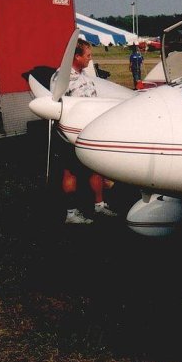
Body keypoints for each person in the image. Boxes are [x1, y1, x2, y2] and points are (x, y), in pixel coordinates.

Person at [51, 39, 117, 224]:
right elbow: (56, 104)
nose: (90, 58)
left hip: (90, 132)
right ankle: (71, 213)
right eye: (88, 55)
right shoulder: (61, 78)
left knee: (95, 169)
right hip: (70, 135)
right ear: (76, 56)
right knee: (70, 172)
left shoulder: (84, 75)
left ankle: (99, 206)